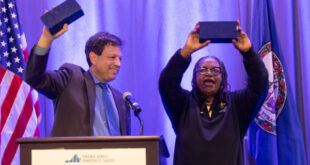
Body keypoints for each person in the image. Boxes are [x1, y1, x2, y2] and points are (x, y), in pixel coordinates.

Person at [158, 21, 269, 165]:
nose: (209, 74)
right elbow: (166, 83)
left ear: (223, 78)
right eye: (203, 70)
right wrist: (186, 52)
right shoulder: (182, 105)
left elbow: (260, 84)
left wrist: (248, 53)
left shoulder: (237, 106)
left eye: (215, 70)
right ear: (194, 77)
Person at [25, 24, 131, 137]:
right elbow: (34, 78)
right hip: (74, 155)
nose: (118, 64)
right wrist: (46, 40)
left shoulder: (121, 99)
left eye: (120, 59)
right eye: (112, 57)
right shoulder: (70, 79)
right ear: (93, 58)